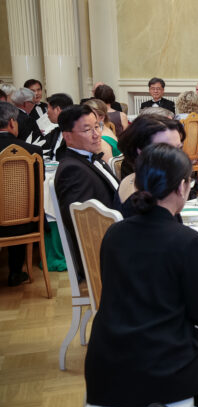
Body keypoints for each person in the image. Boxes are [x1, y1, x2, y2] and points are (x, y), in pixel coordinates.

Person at [85, 144, 198, 407]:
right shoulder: (188, 241)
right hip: (158, 372)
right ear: (183, 186)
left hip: (105, 370)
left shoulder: (115, 232)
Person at [54, 105, 120, 280]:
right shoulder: (72, 170)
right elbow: (84, 225)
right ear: (67, 136)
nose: (96, 134)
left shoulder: (91, 159)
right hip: (104, 258)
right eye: (87, 130)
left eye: (97, 126)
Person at [0, 102, 44, 286]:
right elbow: (39, 185)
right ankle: (16, 272)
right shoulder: (33, 152)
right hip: (24, 223)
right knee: (20, 207)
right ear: (12, 122)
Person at [115, 114, 185, 217]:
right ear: (141, 151)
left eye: (178, 148)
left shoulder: (141, 178)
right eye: (166, 149)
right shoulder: (146, 193)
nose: (176, 156)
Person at [41, 93, 74, 161]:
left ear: (57, 110)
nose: (47, 113)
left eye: (48, 108)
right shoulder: (56, 132)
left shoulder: (74, 132)